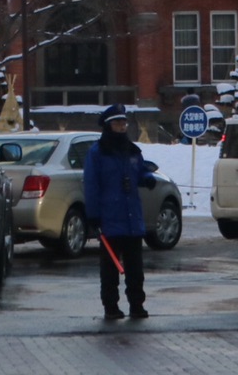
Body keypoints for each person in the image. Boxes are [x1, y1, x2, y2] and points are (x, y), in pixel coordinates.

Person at [82, 103, 155, 320]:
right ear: (108, 126)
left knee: (135, 269)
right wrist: (93, 215)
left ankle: (137, 305)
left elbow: (139, 170)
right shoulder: (97, 153)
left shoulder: (132, 150)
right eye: (117, 123)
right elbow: (91, 186)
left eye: (124, 123)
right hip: (110, 219)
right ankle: (111, 306)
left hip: (133, 220)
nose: (122, 127)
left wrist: (146, 178)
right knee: (110, 270)